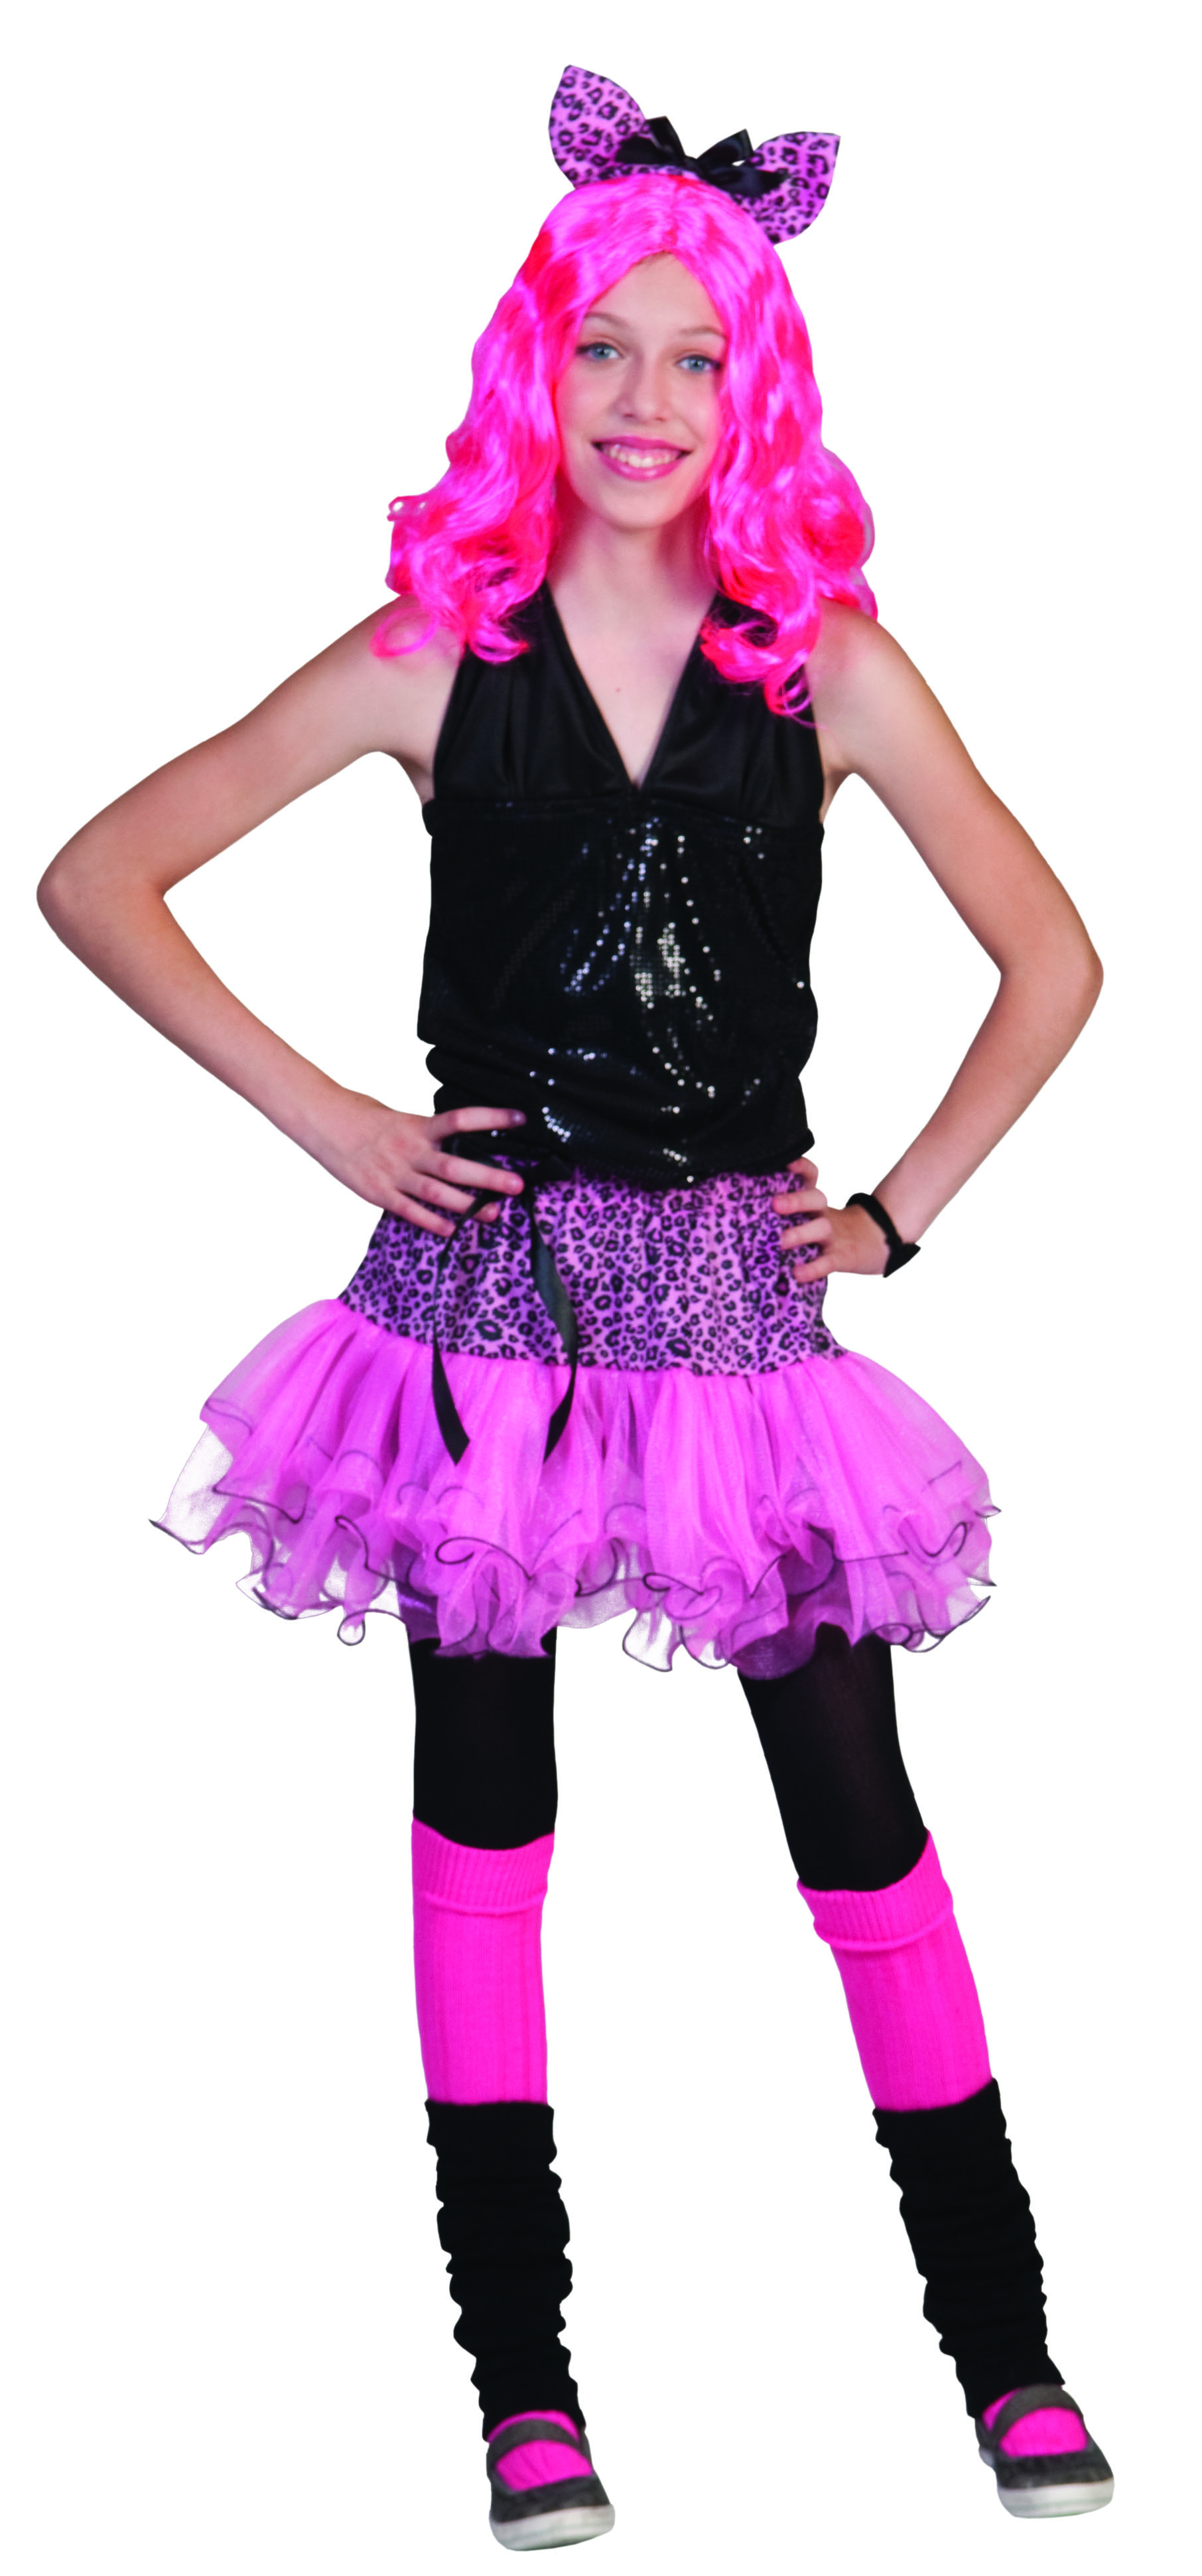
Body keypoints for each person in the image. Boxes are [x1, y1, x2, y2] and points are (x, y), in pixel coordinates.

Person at [37, 64, 1113, 2549]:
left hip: (732, 1314)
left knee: (857, 1820)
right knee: (485, 1816)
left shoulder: (823, 665)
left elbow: (1053, 957)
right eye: (601, 348)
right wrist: (337, 1123)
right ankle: (522, 2380)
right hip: (479, 1319)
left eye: (693, 357)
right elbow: (99, 874)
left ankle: (1007, 2345)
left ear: (756, 390)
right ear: (538, 365)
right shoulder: (439, 650)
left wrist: (896, 1215)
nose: (644, 400)